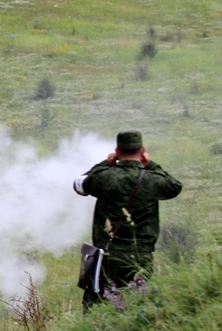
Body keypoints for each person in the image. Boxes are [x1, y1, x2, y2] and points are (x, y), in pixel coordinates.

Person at [73, 130, 182, 310]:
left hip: (106, 256)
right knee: (138, 305)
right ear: (142, 150)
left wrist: (104, 164)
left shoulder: (104, 177)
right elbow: (174, 186)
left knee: (96, 307)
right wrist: (151, 165)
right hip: (140, 256)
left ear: (117, 151)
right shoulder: (152, 179)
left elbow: (80, 184)